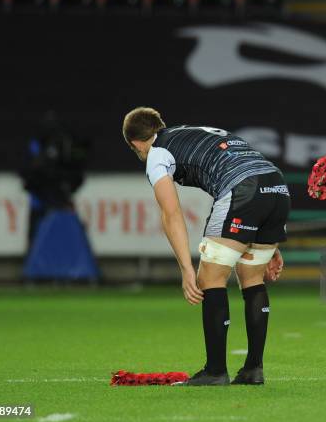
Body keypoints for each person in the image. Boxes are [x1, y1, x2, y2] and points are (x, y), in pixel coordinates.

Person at [122, 107, 290, 385]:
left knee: (209, 277)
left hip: (243, 189)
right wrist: (266, 238)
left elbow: (171, 213)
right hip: (276, 186)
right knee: (252, 278)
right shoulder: (190, 131)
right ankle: (253, 370)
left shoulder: (155, 153)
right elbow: (249, 167)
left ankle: (215, 372)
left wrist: (187, 268)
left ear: (135, 143)